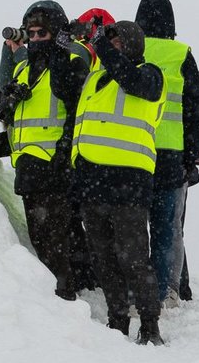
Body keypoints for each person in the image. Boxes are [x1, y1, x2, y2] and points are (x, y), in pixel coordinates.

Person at [0, 0, 91, 299]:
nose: (36, 40)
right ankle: (63, 304)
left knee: (56, 249)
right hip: (28, 173)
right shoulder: (23, 70)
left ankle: (66, 309)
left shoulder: (69, 66)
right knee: (44, 247)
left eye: (43, 34)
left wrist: (63, 157)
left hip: (56, 172)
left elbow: (77, 113)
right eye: (32, 34)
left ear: (57, 34)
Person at [70, 21, 167, 345]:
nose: (111, 46)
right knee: (104, 259)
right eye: (108, 41)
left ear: (134, 45)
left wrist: (103, 47)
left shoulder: (151, 74)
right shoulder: (96, 78)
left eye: (117, 41)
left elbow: (134, 82)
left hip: (129, 183)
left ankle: (150, 325)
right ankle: (117, 320)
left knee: (134, 258)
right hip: (92, 182)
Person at [134, 0, 199, 306]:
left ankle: (135, 288)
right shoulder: (180, 56)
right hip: (171, 159)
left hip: (133, 155)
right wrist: (192, 152)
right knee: (167, 228)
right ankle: (168, 290)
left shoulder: (129, 53)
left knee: (132, 227)